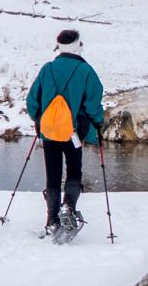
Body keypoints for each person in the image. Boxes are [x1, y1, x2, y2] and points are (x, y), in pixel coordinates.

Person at [24, 28, 105, 242]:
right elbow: (93, 103)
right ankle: (68, 206)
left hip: (49, 132)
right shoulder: (86, 71)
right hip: (74, 132)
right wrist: (97, 122)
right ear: (78, 45)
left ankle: (52, 220)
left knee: (53, 174)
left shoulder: (47, 69)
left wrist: (39, 119)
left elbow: (32, 101)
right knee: (74, 171)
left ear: (58, 46)